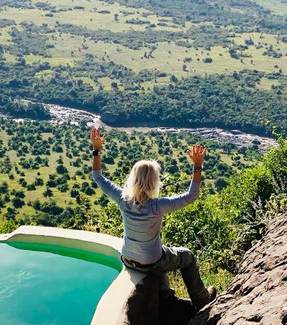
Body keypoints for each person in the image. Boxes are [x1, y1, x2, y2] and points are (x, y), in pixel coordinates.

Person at [89, 128, 214, 309]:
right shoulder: (157, 206)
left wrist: (96, 149)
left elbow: (97, 177)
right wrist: (197, 165)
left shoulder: (123, 199)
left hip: (128, 258)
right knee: (186, 256)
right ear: (154, 182)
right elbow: (190, 196)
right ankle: (203, 301)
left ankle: (168, 302)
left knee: (159, 256)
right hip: (151, 261)